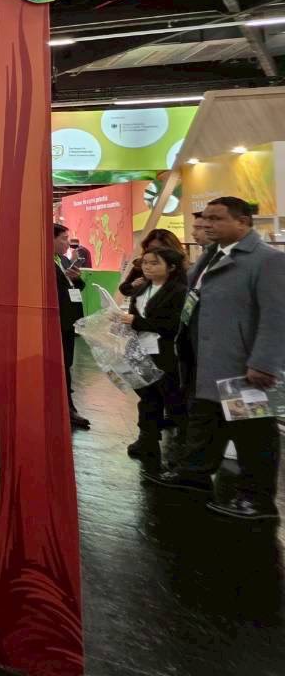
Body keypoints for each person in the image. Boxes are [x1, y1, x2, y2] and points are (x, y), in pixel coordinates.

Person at [145, 197, 285, 520]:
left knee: (253, 433)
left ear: (242, 222)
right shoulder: (210, 256)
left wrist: (263, 362)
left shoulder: (266, 260)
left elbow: (276, 317)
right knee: (205, 421)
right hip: (205, 361)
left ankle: (258, 500)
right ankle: (194, 474)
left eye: (216, 218)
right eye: (205, 218)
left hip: (241, 368)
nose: (206, 224)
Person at [116, 247, 187, 471]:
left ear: (171, 267)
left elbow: (173, 325)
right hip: (140, 350)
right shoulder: (142, 287)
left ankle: (183, 450)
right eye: (145, 262)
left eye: (154, 263)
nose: (147, 267)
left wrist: (135, 322)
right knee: (147, 397)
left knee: (173, 400)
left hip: (166, 353)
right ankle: (147, 440)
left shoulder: (179, 291)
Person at [54, 224, 90, 430]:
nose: (68, 243)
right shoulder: (43, 264)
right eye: (63, 238)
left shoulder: (63, 261)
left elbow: (74, 287)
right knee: (61, 365)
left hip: (68, 323)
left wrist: (76, 279)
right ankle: (66, 408)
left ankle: (67, 406)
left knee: (66, 364)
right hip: (56, 323)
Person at [119, 229, 184, 297]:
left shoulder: (181, 268)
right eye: (152, 248)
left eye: (160, 249)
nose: (155, 253)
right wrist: (133, 285)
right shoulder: (140, 265)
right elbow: (124, 288)